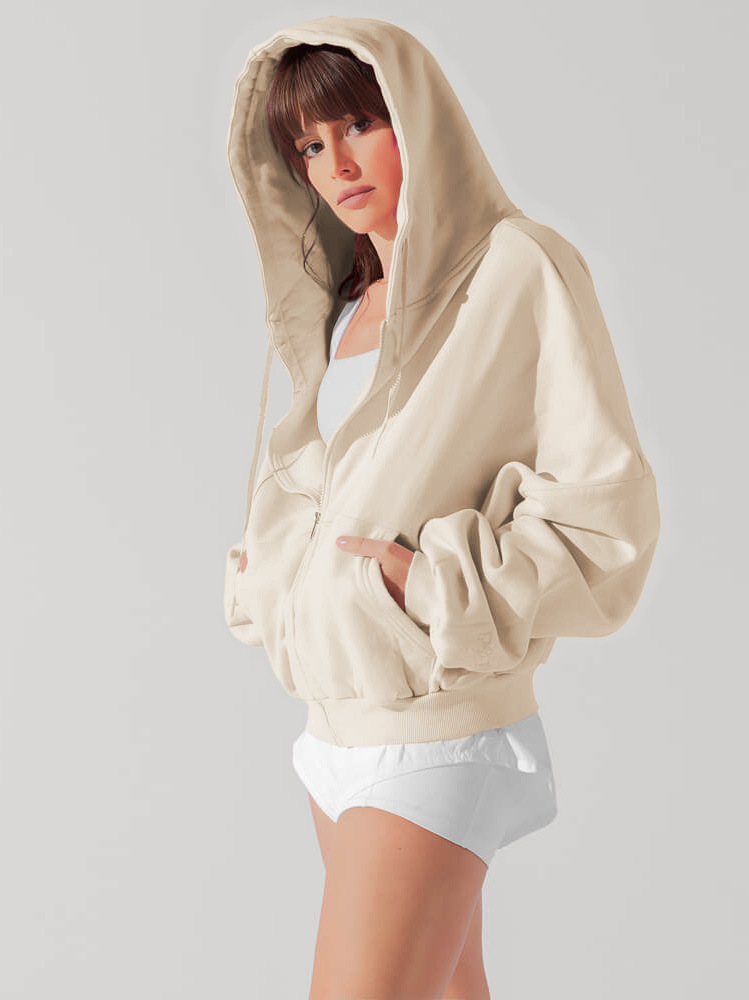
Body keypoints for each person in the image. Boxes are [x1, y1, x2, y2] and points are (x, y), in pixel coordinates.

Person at [223, 16, 660, 1000]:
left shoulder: (518, 268)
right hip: (331, 730)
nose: (336, 164)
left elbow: (605, 518)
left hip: (436, 733)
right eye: (308, 145)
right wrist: (272, 575)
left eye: (357, 125)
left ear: (415, 118)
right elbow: (317, 487)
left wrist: (424, 585)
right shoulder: (340, 306)